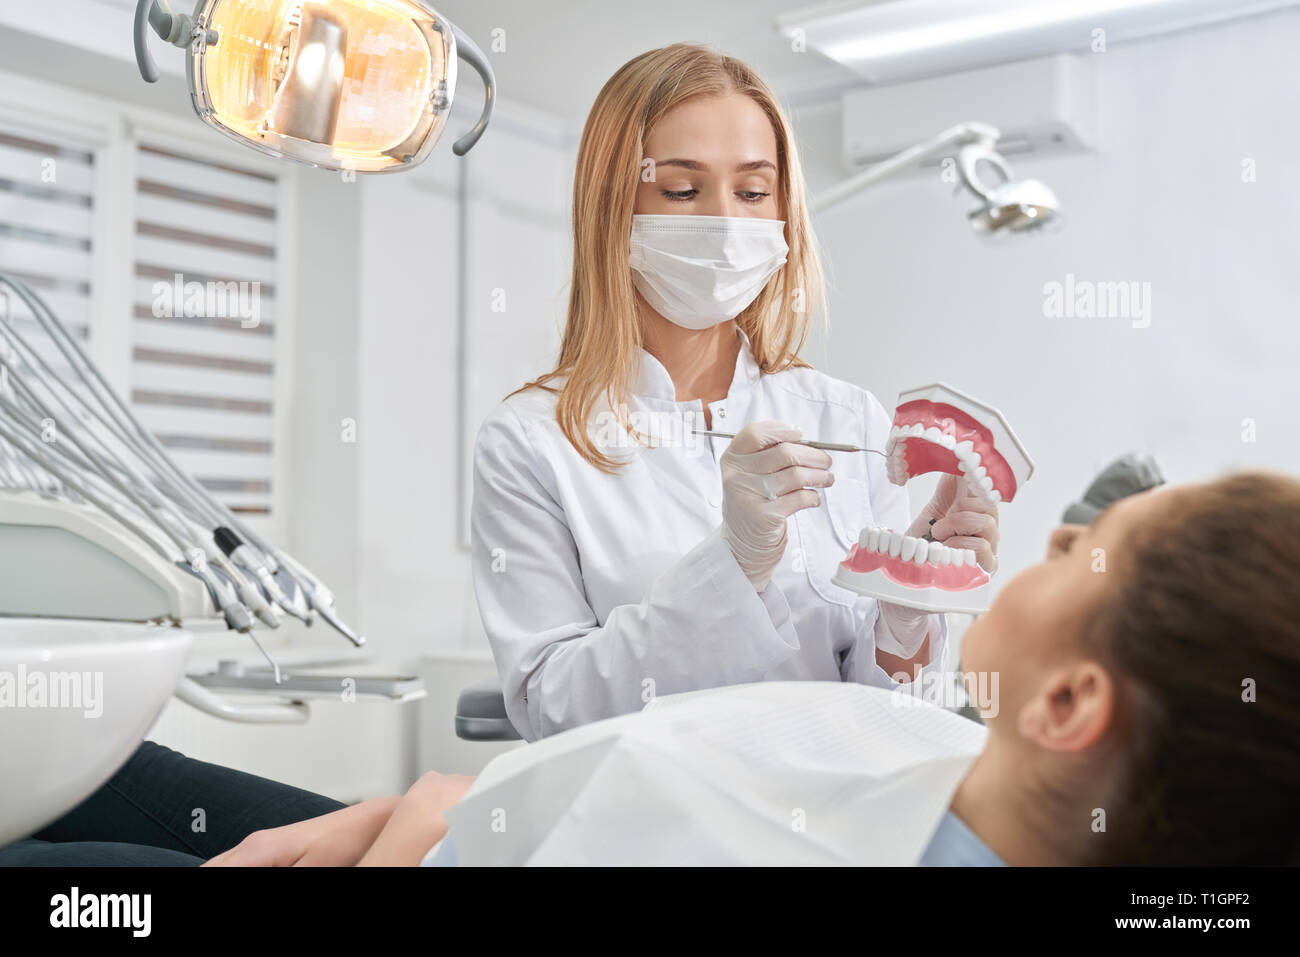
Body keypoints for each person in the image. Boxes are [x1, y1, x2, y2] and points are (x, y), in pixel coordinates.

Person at [204, 471, 1300, 867]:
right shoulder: (962, 762)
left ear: (1066, 703)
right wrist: (485, 803)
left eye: (1072, 552)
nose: (1040, 545)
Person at [471, 43, 1000, 741]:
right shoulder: (531, 442)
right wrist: (734, 563)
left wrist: (905, 609)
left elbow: (891, 712)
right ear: (611, 208)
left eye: (753, 192)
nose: (726, 223)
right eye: (683, 191)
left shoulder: (844, 416)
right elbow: (551, 706)